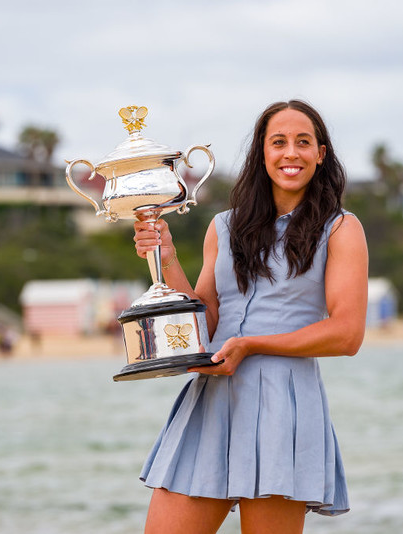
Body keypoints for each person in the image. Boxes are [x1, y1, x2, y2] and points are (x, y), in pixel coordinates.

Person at [132, 100, 368, 534]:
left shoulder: (341, 229)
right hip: (212, 400)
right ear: (262, 152)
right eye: (278, 142)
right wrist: (167, 258)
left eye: (303, 142)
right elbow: (204, 322)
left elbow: (346, 334)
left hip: (285, 406)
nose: (290, 153)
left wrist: (253, 344)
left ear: (321, 153)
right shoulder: (222, 227)